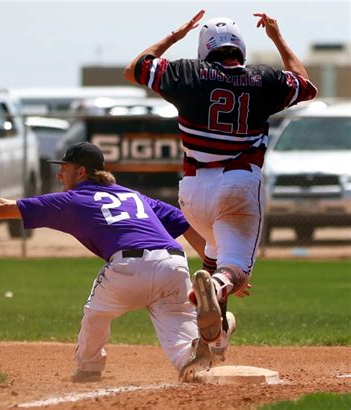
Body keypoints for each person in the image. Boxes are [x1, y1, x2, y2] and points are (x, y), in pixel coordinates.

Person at [0, 141, 228, 383]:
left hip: (129, 266)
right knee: (180, 341)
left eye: (65, 169)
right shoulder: (134, 196)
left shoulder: (72, 201)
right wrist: (218, 268)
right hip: (174, 264)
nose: (61, 175)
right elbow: (186, 223)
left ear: (81, 171)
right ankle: (207, 343)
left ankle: (89, 368)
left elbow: (0, 208)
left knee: (96, 314)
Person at [124, 11, 317, 348]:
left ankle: (216, 341)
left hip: (193, 191)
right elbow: (305, 84)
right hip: (238, 186)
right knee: (237, 273)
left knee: (215, 253)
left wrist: (175, 34)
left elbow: (136, 68)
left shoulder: (185, 72)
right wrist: (277, 37)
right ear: (239, 47)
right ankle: (216, 287)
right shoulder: (265, 80)